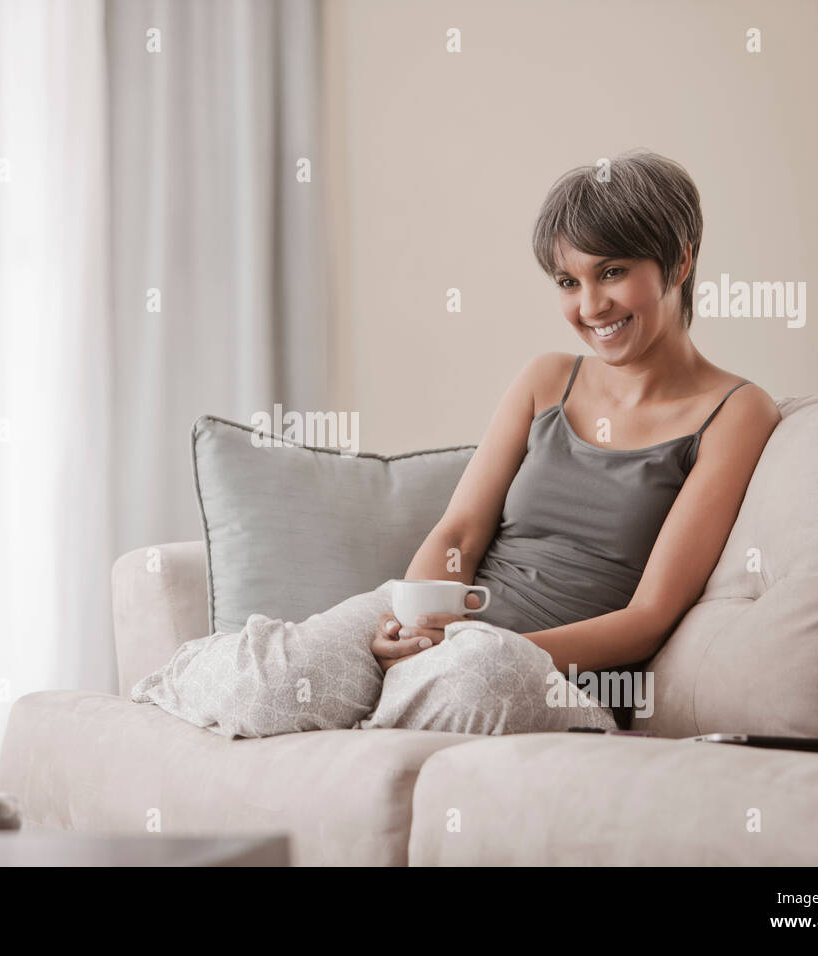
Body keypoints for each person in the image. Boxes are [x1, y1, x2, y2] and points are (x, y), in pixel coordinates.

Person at [130, 149, 782, 738]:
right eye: (567, 282)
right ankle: (218, 695)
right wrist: (416, 624)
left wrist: (474, 644)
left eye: (612, 272)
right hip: (442, 629)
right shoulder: (547, 379)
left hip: (536, 669)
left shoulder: (734, 412)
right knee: (273, 683)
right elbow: (459, 535)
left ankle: (367, 722)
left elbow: (651, 615)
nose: (590, 306)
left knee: (479, 676)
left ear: (682, 259)